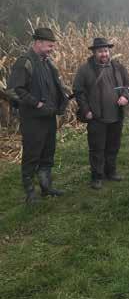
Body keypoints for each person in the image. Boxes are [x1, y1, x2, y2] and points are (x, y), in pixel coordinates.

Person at [7, 28, 68, 203]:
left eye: (53, 46)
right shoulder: (25, 62)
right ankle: (30, 193)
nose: (52, 49)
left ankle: (46, 188)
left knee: (48, 153)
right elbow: (13, 90)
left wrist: (62, 100)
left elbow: (55, 87)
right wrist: (36, 103)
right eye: (49, 45)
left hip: (49, 118)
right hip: (32, 120)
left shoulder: (47, 63)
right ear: (38, 42)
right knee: (32, 155)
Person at [73, 38, 129, 190]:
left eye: (106, 50)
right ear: (94, 53)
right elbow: (78, 91)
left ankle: (110, 172)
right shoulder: (85, 70)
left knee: (113, 146)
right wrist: (86, 111)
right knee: (97, 148)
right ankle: (97, 177)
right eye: (100, 51)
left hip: (116, 116)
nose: (104, 54)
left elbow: (128, 84)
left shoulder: (118, 67)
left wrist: (125, 95)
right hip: (96, 117)